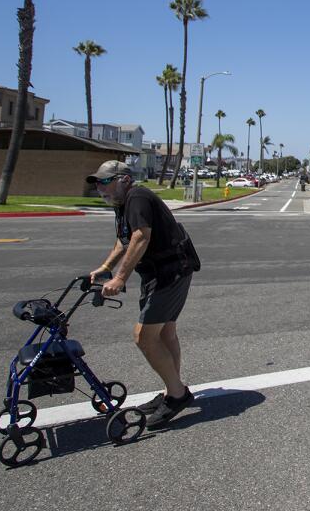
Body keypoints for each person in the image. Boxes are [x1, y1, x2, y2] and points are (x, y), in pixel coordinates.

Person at [86, 160, 200, 427]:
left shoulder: (137, 197)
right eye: (97, 183)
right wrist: (105, 267)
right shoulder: (122, 204)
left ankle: (177, 394)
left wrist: (120, 278)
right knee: (165, 333)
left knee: (144, 336)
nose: (100, 188)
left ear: (124, 179)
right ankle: (172, 389)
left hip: (169, 272)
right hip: (159, 273)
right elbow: (123, 239)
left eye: (105, 182)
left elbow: (140, 237)